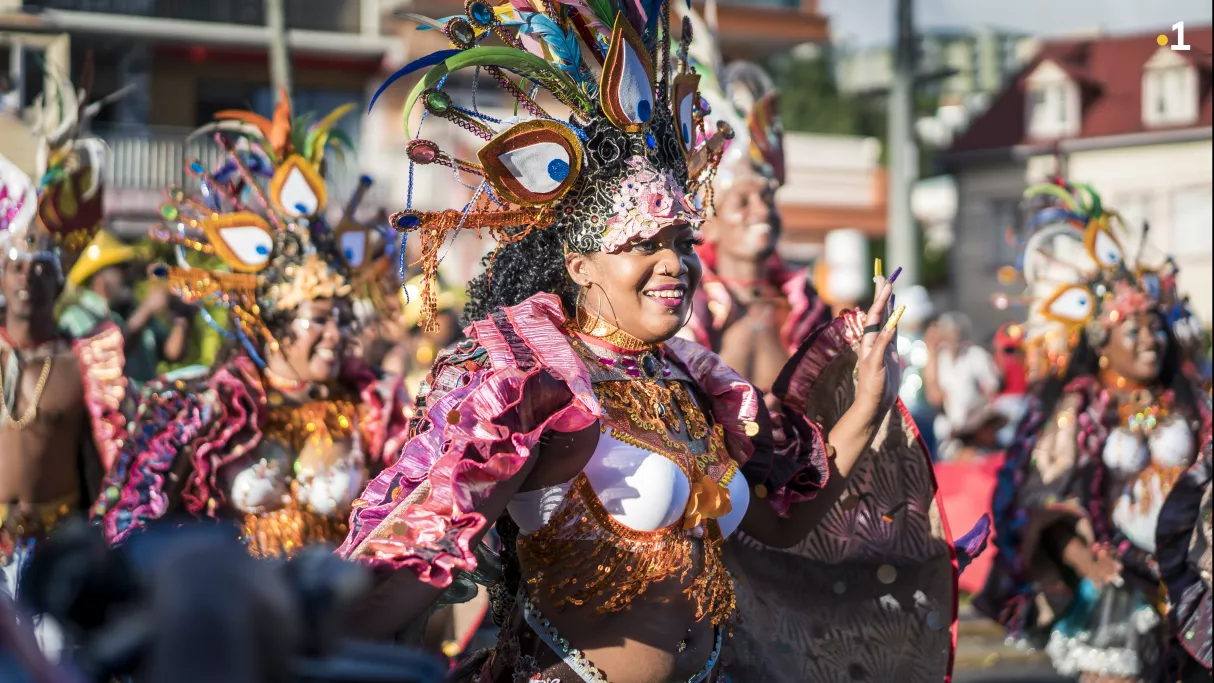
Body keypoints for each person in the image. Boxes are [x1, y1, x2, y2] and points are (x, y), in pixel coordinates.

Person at [336, 4, 969, 682]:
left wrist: (868, 403)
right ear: (580, 266)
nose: (674, 264)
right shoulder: (536, 386)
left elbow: (783, 527)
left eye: (681, 241)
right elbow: (425, 547)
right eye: (643, 243)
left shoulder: (694, 382)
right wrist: (314, 634)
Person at [92, 94, 410, 559]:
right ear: (271, 324)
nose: (336, 334)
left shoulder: (374, 406)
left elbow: (408, 515)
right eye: (320, 320)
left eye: (343, 320)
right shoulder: (203, 407)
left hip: (338, 598)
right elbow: (133, 520)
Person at [975, 178, 1210, 682]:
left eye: (1155, 327)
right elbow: (1045, 503)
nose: (1150, 339)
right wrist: (1086, 560)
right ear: (1102, 342)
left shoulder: (1189, 400)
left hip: (1190, 577)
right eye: (1133, 329)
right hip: (1117, 585)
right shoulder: (1079, 408)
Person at [0, 70, 130, 656]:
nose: (27, 278)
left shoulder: (85, 367)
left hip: (54, 550)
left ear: (60, 283)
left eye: (41, 269)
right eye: (17, 267)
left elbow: (105, 470)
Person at [59, 230, 190, 384]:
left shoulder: (130, 311)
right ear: (99, 278)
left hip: (145, 396)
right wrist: (146, 310)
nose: (129, 276)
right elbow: (106, 355)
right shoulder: (76, 316)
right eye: (122, 269)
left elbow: (172, 354)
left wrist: (181, 318)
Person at [923, 311, 1002, 461]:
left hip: (976, 429)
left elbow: (992, 388)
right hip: (949, 431)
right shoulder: (939, 359)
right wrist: (931, 351)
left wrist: (978, 414)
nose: (952, 339)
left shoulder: (976, 355)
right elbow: (934, 396)